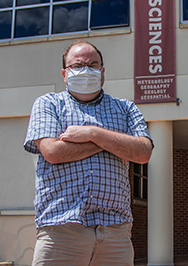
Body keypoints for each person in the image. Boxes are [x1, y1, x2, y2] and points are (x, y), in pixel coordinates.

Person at [23, 40, 153, 266]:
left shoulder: (126, 108)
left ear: (102, 72)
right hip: (61, 230)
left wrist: (93, 133)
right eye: (77, 66)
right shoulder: (48, 104)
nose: (86, 70)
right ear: (64, 74)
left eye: (93, 65)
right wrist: (113, 141)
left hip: (115, 231)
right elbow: (53, 152)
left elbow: (142, 152)